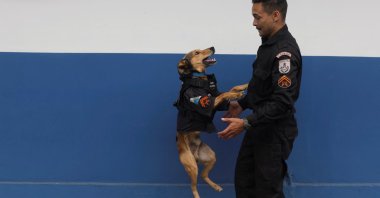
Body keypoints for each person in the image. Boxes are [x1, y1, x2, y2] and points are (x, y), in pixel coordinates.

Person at [217, 0, 302, 197]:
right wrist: (242, 104)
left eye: (257, 17)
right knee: (245, 183)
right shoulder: (267, 45)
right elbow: (262, 86)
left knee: (266, 191)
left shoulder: (284, 53)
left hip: (274, 131)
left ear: (275, 16)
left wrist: (246, 122)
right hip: (258, 125)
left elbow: (282, 101)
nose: (253, 23)